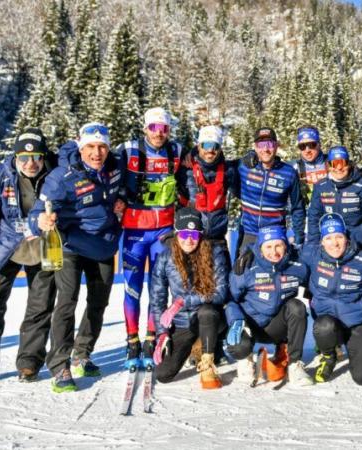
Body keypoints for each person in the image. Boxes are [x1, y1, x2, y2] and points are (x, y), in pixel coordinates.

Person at [29, 123, 123, 392]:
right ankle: (60, 365)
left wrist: (124, 200)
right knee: (67, 302)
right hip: (70, 246)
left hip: (104, 245)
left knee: (98, 303)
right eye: (91, 147)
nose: (97, 153)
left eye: (102, 146)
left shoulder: (115, 167)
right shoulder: (62, 176)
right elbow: (39, 210)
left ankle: (83, 353)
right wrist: (42, 221)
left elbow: (128, 186)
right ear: (81, 147)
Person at [0, 128, 57, 382]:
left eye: (37, 156)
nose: (30, 163)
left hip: (44, 249)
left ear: (44, 155)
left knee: (39, 307)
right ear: (14, 157)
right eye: (23, 157)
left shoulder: (56, 174)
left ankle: (29, 363)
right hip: (7, 249)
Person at [306, 145, 362, 356]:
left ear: (349, 164)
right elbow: (313, 220)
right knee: (318, 288)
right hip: (331, 247)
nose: (338, 168)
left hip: (360, 245)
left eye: (342, 163)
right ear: (328, 166)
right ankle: (328, 339)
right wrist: (310, 251)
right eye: (333, 164)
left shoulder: (361, 186)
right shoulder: (321, 187)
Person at [117, 107, 182, 369]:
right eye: (154, 128)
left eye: (164, 128)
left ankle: (151, 337)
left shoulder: (175, 152)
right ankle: (132, 340)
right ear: (145, 128)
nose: (159, 133)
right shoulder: (129, 150)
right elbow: (104, 167)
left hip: (163, 232)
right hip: (134, 231)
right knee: (132, 287)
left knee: (158, 287)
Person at [302, 213, 362, 385]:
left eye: (338, 236)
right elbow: (281, 259)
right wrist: (250, 252)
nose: (334, 243)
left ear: (346, 237)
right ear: (321, 241)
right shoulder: (312, 255)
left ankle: (358, 348)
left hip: (356, 322)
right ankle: (329, 355)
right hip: (327, 323)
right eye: (328, 238)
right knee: (324, 327)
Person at [150, 208, 229, 389]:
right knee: (163, 374)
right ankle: (195, 344)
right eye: (184, 233)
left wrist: (183, 301)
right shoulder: (165, 257)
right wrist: (162, 333)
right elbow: (157, 298)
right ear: (177, 233)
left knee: (207, 312)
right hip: (183, 321)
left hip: (212, 318)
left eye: (194, 234)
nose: (189, 239)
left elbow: (221, 293)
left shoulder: (214, 252)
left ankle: (208, 362)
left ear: (200, 234)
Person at [226, 226, 312, 386]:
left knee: (297, 306)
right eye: (268, 246)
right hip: (250, 325)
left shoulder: (297, 267)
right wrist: (236, 320)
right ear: (260, 248)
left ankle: (294, 364)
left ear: (286, 245)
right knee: (239, 347)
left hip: (277, 327)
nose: (274, 252)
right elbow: (230, 299)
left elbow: (314, 284)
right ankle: (245, 358)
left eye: (278, 245)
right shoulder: (246, 266)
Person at [235, 127, 305, 255]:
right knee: (241, 272)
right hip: (249, 233)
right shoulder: (244, 166)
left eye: (270, 144)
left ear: (276, 146)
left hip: (275, 234)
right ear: (255, 147)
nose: (266, 149)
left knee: (275, 273)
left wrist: (299, 237)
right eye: (261, 145)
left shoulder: (288, 173)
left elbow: (297, 207)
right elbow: (218, 165)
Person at [176, 125, 237, 244]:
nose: (210, 150)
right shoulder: (185, 169)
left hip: (217, 238)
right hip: (191, 238)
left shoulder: (228, 170)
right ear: (199, 146)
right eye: (206, 145)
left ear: (220, 148)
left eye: (215, 146)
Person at [290, 125, 327, 205]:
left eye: (311, 145)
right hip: (308, 213)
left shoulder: (331, 162)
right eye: (302, 146)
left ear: (319, 144)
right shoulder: (294, 167)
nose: (307, 150)